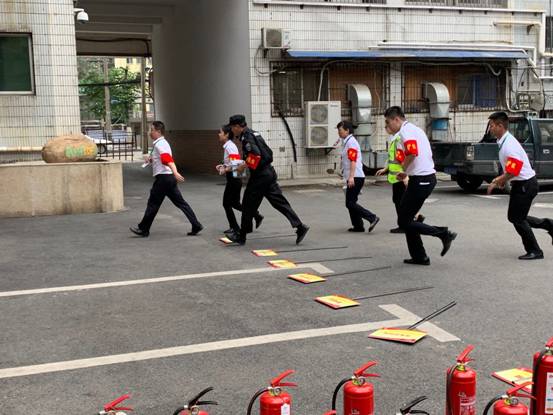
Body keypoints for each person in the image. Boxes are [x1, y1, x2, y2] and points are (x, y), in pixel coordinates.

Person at [384, 106, 457, 265]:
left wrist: (403, 169)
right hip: (421, 178)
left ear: (396, 119)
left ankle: (443, 234)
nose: (387, 126)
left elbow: (412, 152)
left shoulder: (406, 131)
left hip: (422, 180)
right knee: (406, 219)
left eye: (388, 122)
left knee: (404, 221)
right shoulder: (414, 129)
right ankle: (419, 256)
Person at [225, 114, 309, 245]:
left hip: (260, 176)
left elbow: (256, 156)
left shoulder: (247, 137)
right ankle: (300, 226)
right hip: (268, 172)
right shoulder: (254, 133)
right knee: (279, 202)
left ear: (237, 126)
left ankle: (241, 236)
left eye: (232, 128)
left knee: (247, 204)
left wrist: (243, 165)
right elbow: (268, 152)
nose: (231, 130)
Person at [487, 111, 553, 260]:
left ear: (500, 126)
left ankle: (535, 251)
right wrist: (504, 180)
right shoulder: (503, 141)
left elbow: (514, 170)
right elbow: (511, 168)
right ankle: (549, 225)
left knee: (517, 219)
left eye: (492, 125)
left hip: (526, 184)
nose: (490, 128)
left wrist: (498, 180)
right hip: (522, 183)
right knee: (516, 217)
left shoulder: (509, 144)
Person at [130, 121, 203, 237]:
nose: (150, 132)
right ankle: (196, 225)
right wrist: (151, 160)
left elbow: (167, 159)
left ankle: (143, 228)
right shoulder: (161, 143)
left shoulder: (160, 144)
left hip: (163, 179)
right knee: (181, 203)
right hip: (168, 179)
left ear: (158, 131)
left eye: (152, 130)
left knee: (153, 203)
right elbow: (162, 159)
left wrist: (175, 172)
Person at [216, 124, 263, 235]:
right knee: (235, 203)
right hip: (234, 177)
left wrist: (225, 169)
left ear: (226, 134)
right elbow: (232, 163)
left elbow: (236, 164)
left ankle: (235, 227)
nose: (218, 134)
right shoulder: (228, 146)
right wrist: (223, 166)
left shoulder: (230, 146)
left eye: (220, 132)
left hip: (234, 178)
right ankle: (255, 215)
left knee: (227, 204)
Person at [376, 125, 424, 233]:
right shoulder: (394, 139)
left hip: (399, 177)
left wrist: (405, 175)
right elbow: (393, 158)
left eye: (387, 126)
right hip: (397, 176)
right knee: (401, 200)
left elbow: (401, 158)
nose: (386, 128)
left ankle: (404, 225)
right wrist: (385, 169)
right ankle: (416, 216)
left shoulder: (397, 139)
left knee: (400, 202)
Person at [337, 120, 379, 233]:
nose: (339, 132)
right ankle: (358, 226)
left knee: (350, 203)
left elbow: (353, 160)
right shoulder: (347, 142)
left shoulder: (351, 143)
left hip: (356, 177)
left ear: (347, 130)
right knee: (351, 202)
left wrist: (351, 177)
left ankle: (372, 217)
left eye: (340, 130)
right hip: (353, 176)